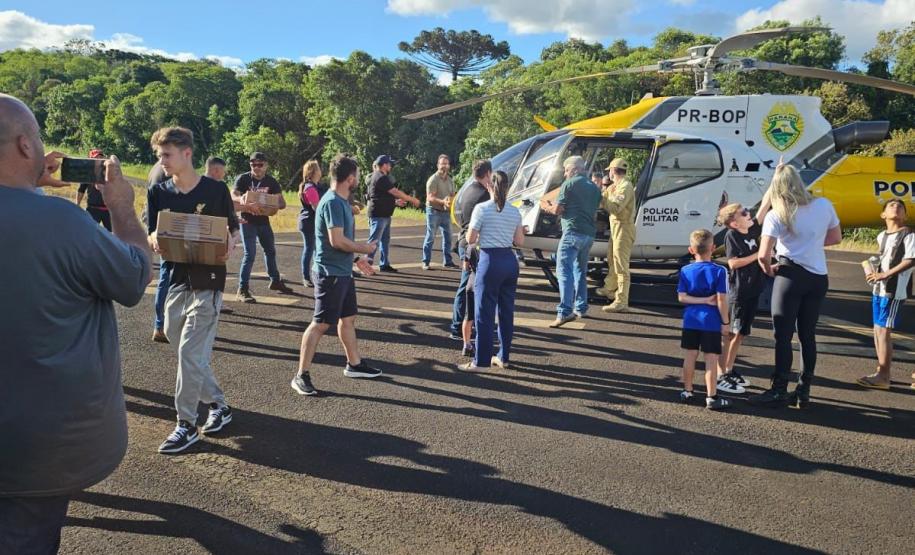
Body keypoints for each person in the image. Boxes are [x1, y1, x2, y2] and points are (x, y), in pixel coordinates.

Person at [0, 93, 151, 553]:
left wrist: (29, 188)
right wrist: (122, 205)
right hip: (34, 450)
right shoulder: (61, 222)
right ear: (27, 146)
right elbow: (133, 276)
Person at [147, 127, 241, 453]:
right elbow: (151, 232)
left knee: (189, 352)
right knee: (176, 339)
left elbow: (231, 228)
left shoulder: (216, 190)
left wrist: (231, 242)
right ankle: (220, 405)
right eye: (160, 155)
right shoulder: (159, 192)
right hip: (175, 278)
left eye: (167, 155)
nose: (162, 161)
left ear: (187, 153)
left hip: (209, 280)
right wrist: (154, 239)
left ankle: (185, 423)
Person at [749, 164, 842, 408]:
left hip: (790, 274)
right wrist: (810, 245)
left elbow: (763, 255)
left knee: (783, 336)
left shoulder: (777, 213)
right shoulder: (824, 205)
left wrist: (770, 270)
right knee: (807, 336)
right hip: (818, 277)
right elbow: (835, 238)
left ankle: (779, 388)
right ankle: (804, 389)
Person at [291, 154, 382, 396]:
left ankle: (354, 364)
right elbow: (336, 240)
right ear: (350, 179)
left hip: (341, 271)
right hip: (329, 274)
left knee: (348, 318)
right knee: (320, 324)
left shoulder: (340, 201)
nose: (359, 180)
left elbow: (335, 243)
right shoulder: (332, 202)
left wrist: (356, 260)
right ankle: (301, 375)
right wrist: (365, 249)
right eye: (358, 176)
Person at [459, 170, 525, 371]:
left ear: (489, 185)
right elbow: (519, 241)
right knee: (506, 312)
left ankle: (481, 361)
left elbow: (470, 239)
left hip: (490, 260)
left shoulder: (482, 209)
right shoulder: (515, 211)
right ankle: (503, 356)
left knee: (483, 313)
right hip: (509, 260)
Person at [857, 199, 915, 390]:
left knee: (883, 331)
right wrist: (871, 269)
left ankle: (883, 375)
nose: (896, 207)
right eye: (891, 205)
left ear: (905, 215)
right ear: (883, 215)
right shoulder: (882, 235)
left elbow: (910, 259)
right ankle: (881, 369)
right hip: (880, 289)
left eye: (900, 207)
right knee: (877, 330)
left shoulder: (908, 234)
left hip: (894, 290)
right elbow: (882, 258)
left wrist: (885, 274)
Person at [540, 156, 602, 328]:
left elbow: (558, 209)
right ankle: (581, 307)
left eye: (566, 170)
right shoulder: (594, 188)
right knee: (580, 270)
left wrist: (546, 206)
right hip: (589, 234)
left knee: (563, 271)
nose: (565, 174)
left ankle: (564, 312)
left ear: (574, 169)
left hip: (572, 233)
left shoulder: (569, 184)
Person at [677, 229, 732, 410]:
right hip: (711, 321)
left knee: (690, 355)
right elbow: (721, 299)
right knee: (711, 359)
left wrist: (699, 300)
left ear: (691, 250)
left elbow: (682, 297)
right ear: (713, 248)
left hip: (691, 320)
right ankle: (711, 396)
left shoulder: (685, 270)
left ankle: (687, 390)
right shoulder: (719, 271)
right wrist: (725, 322)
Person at [716, 203, 764, 394]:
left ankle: (729, 369)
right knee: (730, 334)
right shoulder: (732, 236)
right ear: (735, 223)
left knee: (741, 333)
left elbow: (763, 209)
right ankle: (721, 375)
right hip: (740, 292)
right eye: (744, 213)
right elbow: (733, 263)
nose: (748, 214)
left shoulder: (751, 229)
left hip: (754, 289)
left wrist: (775, 183)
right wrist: (758, 255)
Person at [233, 151, 293, 302]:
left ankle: (275, 281)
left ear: (266, 166)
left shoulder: (271, 182)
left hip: (263, 221)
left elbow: (282, 203)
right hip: (248, 221)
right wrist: (243, 199)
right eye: (253, 164)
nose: (256, 167)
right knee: (249, 254)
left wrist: (272, 204)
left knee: (270, 251)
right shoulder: (243, 178)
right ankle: (242, 288)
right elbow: (233, 195)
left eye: (260, 165)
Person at [449, 160, 493, 340]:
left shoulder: (467, 190)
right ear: (488, 173)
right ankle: (459, 326)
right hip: (472, 246)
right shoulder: (484, 195)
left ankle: (459, 325)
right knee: (469, 288)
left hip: (463, 241)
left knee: (466, 286)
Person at [366, 154, 420, 272]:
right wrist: (412, 199)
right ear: (384, 165)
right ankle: (366, 263)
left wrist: (395, 202)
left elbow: (381, 195)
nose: (391, 166)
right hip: (378, 215)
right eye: (389, 164)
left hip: (384, 214)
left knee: (384, 240)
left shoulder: (380, 177)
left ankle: (384, 264)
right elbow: (395, 191)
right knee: (374, 240)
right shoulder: (380, 177)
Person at [597, 158, 636, 312]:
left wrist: (602, 198)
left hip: (623, 228)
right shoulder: (616, 186)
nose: (609, 173)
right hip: (616, 228)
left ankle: (621, 301)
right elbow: (602, 201)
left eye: (610, 171)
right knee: (612, 259)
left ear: (613, 170)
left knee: (621, 265)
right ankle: (610, 288)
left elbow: (616, 208)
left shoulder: (625, 186)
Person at [148, 160, 171, 343]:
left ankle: (160, 325)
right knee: (168, 278)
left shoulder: (155, 168)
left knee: (165, 278)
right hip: (169, 228)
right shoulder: (167, 171)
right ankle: (161, 324)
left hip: (160, 227)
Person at [422, 154, 457, 270]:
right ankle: (425, 261)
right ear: (438, 165)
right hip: (433, 211)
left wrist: (453, 201)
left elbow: (453, 196)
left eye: (446, 164)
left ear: (449, 166)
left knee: (448, 238)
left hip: (446, 212)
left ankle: (447, 261)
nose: (444, 166)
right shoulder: (433, 180)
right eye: (442, 163)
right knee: (430, 237)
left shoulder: (450, 180)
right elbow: (430, 198)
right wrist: (443, 202)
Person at [299, 160, 324, 288]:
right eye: (318, 168)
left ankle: (315, 274)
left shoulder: (313, 186)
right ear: (313, 172)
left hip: (310, 221)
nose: (320, 171)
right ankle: (306, 277)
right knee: (310, 249)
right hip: (309, 222)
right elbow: (317, 207)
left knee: (315, 249)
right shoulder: (310, 187)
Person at [76, 148, 112, 231]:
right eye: (96, 158)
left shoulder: (109, 172)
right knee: (88, 231)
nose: (98, 160)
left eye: (100, 157)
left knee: (113, 235)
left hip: (108, 210)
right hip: (93, 209)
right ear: (91, 160)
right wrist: (77, 205)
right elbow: (81, 190)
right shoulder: (87, 173)